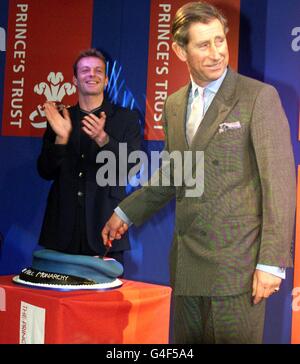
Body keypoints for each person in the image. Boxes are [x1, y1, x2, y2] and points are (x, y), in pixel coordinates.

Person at [101, 2, 296, 343]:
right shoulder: (174, 104)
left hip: (239, 268)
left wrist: (271, 263)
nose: (217, 53)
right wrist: (125, 212)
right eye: (204, 45)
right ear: (180, 50)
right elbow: (177, 173)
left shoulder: (258, 98)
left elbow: (279, 185)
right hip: (188, 265)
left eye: (220, 41)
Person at [37, 48, 141, 264]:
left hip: (106, 229)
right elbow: (45, 171)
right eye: (84, 70)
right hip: (61, 231)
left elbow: (132, 166)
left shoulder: (126, 119)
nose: (91, 74)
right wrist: (61, 138)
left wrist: (103, 139)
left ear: (105, 80)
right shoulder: (60, 118)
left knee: (106, 298)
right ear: (74, 80)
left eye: (97, 71)